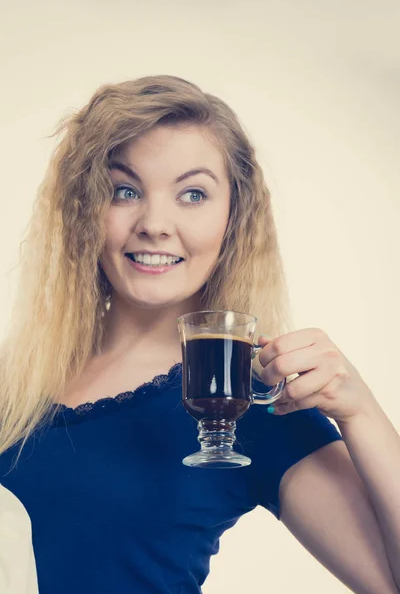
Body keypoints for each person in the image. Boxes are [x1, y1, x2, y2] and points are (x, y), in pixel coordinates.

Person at [0, 75, 399, 594]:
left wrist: (361, 410)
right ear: (84, 212)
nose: (155, 223)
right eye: (124, 190)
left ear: (234, 218)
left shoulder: (252, 400)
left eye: (192, 194)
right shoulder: (15, 379)